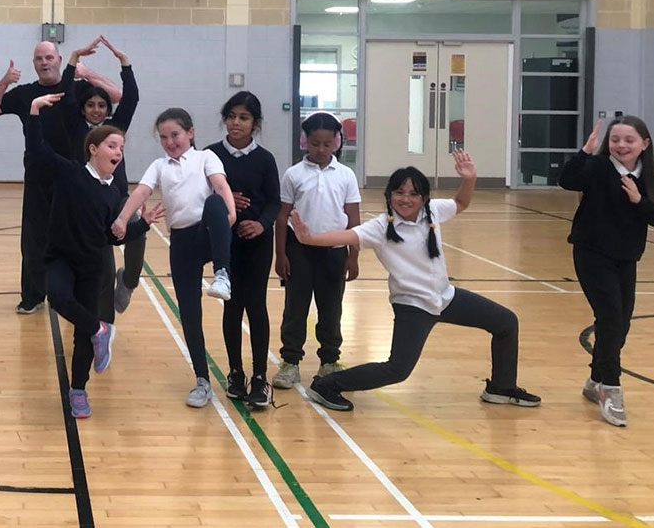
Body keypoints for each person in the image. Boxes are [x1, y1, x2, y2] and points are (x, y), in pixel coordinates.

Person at [294, 152, 542, 412]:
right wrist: (309, 238)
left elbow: (460, 202)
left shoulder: (433, 212)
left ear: (423, 198)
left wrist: (469, 180)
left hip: (446, 298)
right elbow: (346, 235)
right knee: (397, 370)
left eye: (413, 194)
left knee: (506, 322)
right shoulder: (380, 228)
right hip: (413, 307)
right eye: (399, 192)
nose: (406, 199)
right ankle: (327, 384)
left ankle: (501, 388)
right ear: (389, 195)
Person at [26, 93, 161, 418]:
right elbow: (38, 151)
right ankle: (102, 329)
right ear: (94, 149)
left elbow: (114, 238)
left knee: (82, 338)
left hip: (91, 268)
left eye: (122, 148)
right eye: (113, 145)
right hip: (60, 259)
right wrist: (33, 112)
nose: (118, 152)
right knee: (58, 298)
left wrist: (142, 224)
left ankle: (78, 390)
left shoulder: (115, 194)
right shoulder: (70, 172)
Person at [0, 41, 123, 315]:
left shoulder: (78, 88)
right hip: (39, 175)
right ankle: (33, 295)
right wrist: (5, 81)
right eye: (38, 59)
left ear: (59, 59)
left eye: (49, 57)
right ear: (34, 63)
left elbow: (116, 96)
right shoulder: (25, 94)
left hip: (77, 177)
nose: (44, 62)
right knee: (34, 239)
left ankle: (78, 291)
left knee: (77, 236)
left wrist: (88, 73)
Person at [113, 108, 236, 408]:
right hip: (182, 242)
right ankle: (202, 381)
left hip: (208, 233)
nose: (170, 142)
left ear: (190, 132)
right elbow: (141, 192)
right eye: (164, 137)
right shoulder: (159, 165)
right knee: (190, 313)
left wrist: (231, 213)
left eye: (175, 135)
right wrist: (122, 218)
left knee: (216, 203)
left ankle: (223, 273)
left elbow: (220, 185)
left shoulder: (206, 158)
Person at [560, 117, 654, 427]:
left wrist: (639, 201)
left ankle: (595, 378)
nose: (621, 145)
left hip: (626, 260)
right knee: (611, 318)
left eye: (629, 140)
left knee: (620, 325)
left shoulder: (648, 179)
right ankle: (611, 389)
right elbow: (567, 180)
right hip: (591, 254)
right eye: (615, 140)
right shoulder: (598, 170)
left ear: (644, 144)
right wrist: (584, 152)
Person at [57, 37, 146, 325]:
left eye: (101, 105)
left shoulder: (115, 128)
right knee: (102, 268)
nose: (96, 109)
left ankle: (129, 281)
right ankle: (103, 325)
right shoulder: (75, 129)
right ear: (83, 109)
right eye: (91, 105)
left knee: (135, 225)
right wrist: (72, 60)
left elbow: (131, 98)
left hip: (116, 200)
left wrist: (125, 64)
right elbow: (65, 93)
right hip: (86, 207)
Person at [272, 112, 360, 391]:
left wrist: (353, 255)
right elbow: (282, 217)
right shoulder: (293, 174)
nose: (320, 150)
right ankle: (290, 363)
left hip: (334, 253)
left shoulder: (346, 176)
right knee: (295, 309)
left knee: (331, 309)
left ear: (336, 142)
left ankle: (329, 361)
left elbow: (353, 219)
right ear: (304, 142)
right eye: (314, 144)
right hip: (299, 253)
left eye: (326, 144)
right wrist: (281, 254)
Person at [207, 92, 279, 407]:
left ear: (255, 123)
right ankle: (236, 372)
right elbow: (201, 194)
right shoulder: (210, 156)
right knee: (231, 306)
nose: (236, 123)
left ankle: (260, 377)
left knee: (256, 305)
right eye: (232, 116)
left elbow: (274, 201)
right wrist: (225, 199)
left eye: (244, 117)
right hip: (225, 242)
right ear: (225, 118)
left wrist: (262, 224)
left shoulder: (265, 159)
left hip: (258, 241)